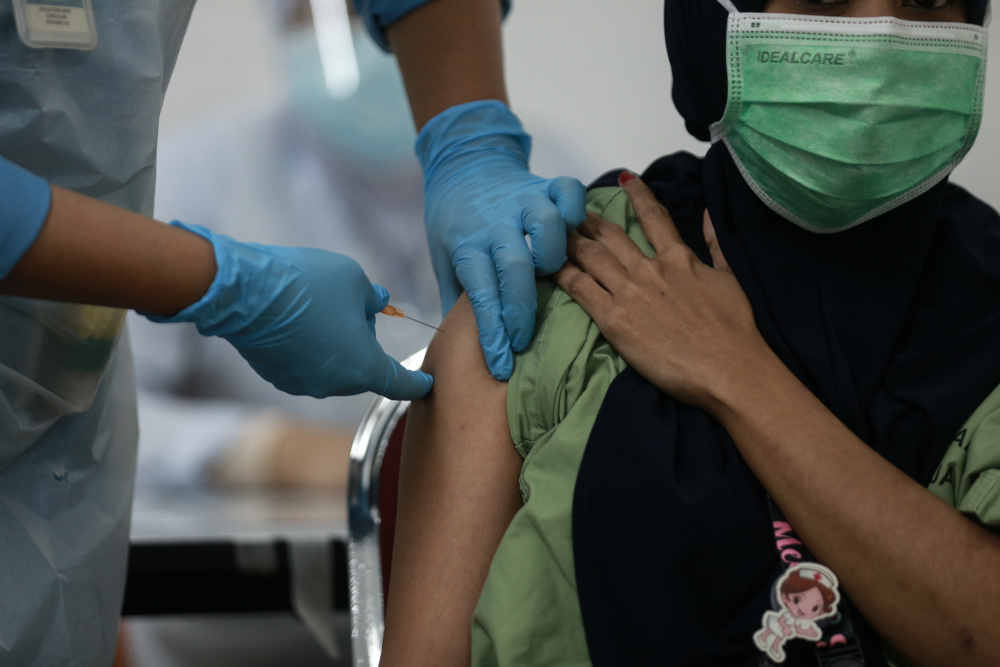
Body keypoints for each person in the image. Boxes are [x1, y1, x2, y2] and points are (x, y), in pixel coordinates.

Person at [377, 0, 1000, 665]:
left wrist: (737, 374)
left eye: (930, 0)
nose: (884, 37)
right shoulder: (577, 270)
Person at [0, 1, 431, 663]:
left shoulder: (532, 173)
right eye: (322, 12)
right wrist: (261, 446)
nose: (353, 39)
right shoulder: (209, 167)